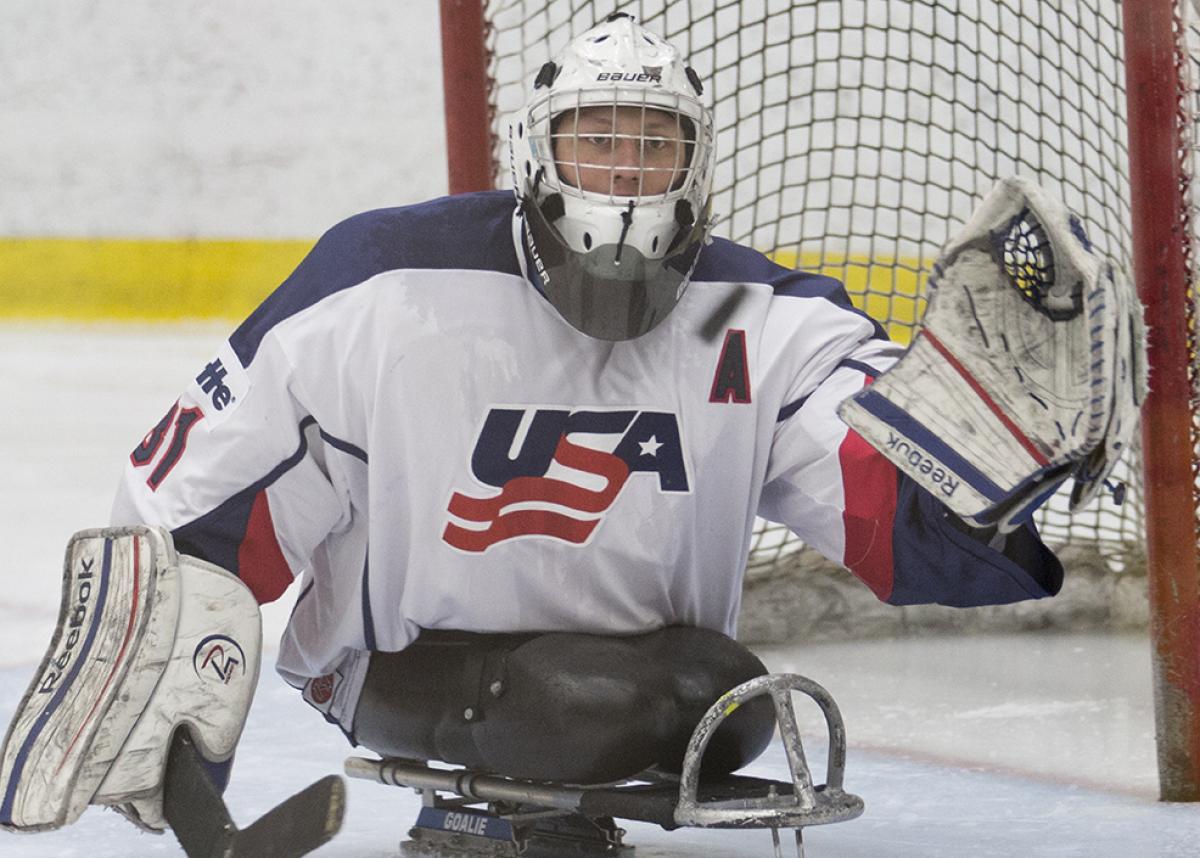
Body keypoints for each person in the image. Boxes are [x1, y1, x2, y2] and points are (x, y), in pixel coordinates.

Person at [0, 12, 1067, 836]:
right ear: (538, 154)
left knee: (720, 701)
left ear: (696, 167)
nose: (626, 173)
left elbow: (897, 515)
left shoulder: (763, 320)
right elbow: (199, 502)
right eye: (598, 141)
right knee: (598, 704)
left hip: (653, 669)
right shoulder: (384, 285)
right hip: (398, 659)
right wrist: (161, 682)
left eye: (653, 146)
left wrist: (999, 464)